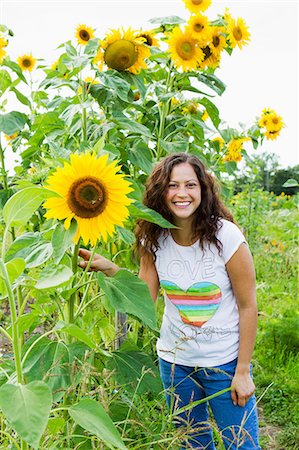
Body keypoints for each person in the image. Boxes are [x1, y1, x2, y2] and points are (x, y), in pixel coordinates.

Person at [78, 152, 260, 450]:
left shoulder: (226, 237)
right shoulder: (153, 237)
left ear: (203, 189)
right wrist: (110, 269)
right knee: (193, 444)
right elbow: (144, 295)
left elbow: (248, 306)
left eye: (190, 185)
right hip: (176, 364)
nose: (182, 193)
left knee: (242, 445)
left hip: (224, 365)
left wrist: (242, 370)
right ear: (161, 192)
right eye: (172, 186)